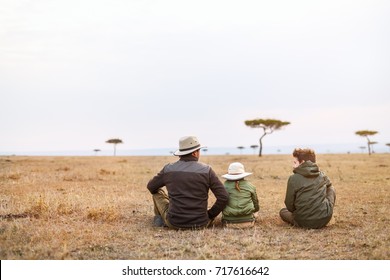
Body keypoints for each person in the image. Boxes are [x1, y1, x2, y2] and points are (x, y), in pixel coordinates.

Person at [147, 136, 229, 229]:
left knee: (157, 192)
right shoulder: (207, 170)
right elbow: (224, 197)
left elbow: (151, 187)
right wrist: (209, 215)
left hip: (174, 223)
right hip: (202, 223)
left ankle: (159, 219)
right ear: (194, 153)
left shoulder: (168, 169)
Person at [279, 148, 336, 229]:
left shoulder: (293, 178)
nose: (293, 165)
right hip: (324, 219)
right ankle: (325, 212)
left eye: (295, 162)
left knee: (283, 211)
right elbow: (330, 187)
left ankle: (302, 217)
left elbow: (289, 205)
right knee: (331, 187)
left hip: (302, 221)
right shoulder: (322, 175)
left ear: (302, 162)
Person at [221, 162, 259, 229]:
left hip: (228, 223)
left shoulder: (224, 186)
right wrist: (255, 211)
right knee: (256, 214)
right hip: (248, 222)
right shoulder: (250, 186)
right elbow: (256, 204)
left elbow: (220, 203)